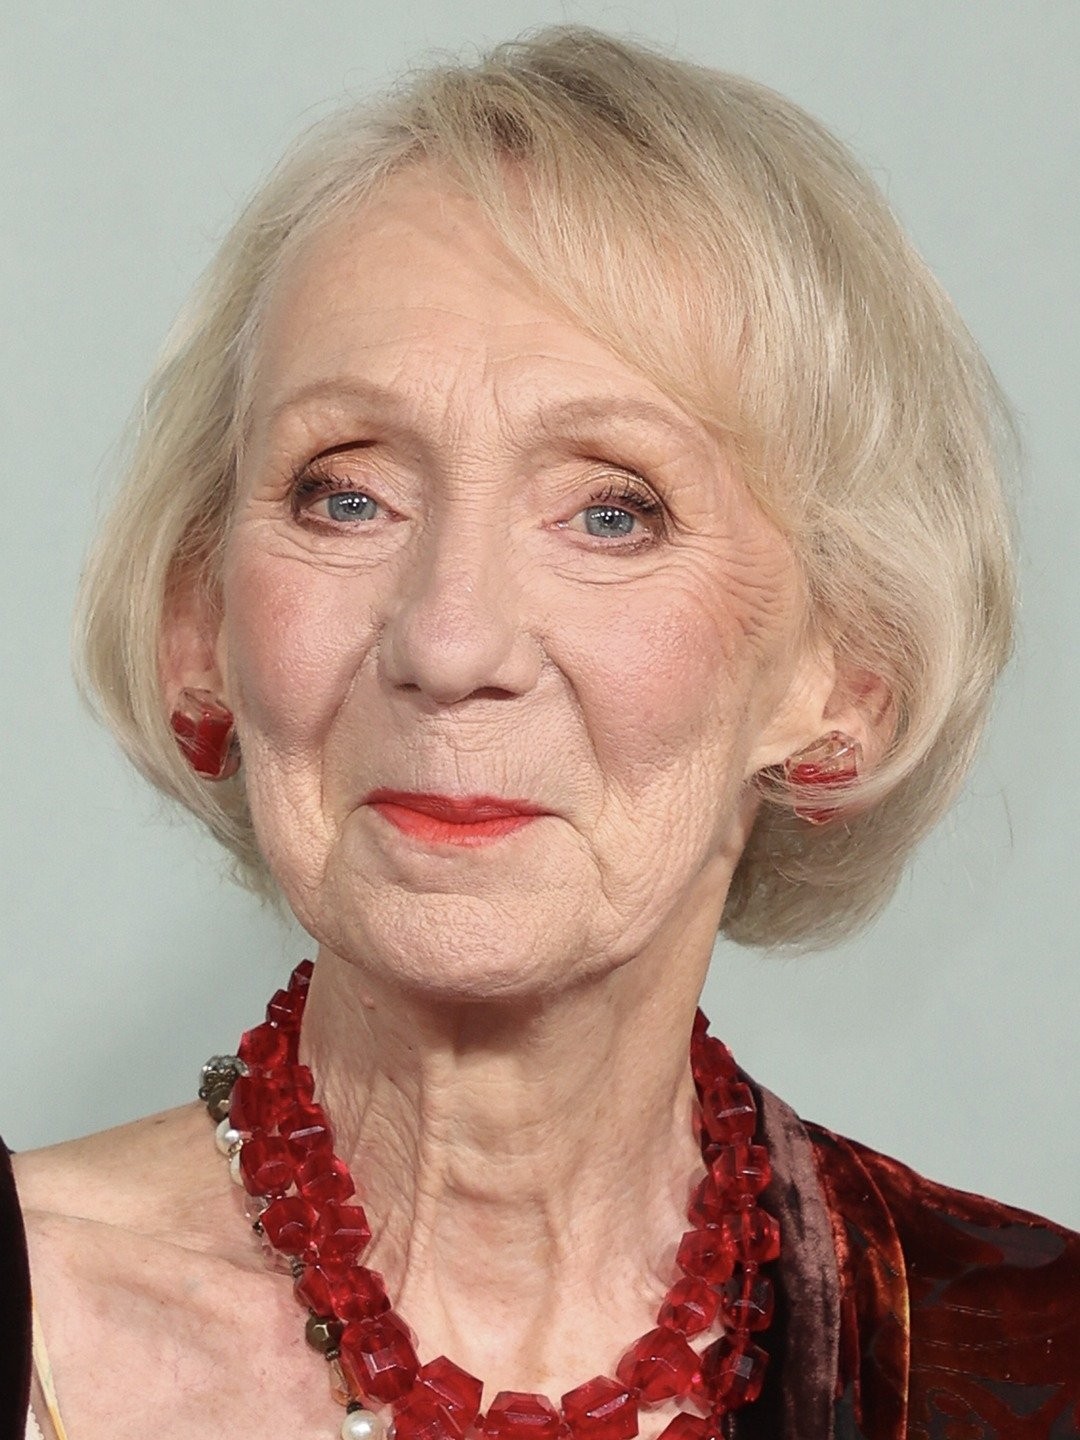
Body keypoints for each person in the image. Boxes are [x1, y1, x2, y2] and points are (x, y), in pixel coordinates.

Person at [3, 25, 1077, 1440]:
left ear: (849, 680)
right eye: (346, 496)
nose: (449, 643)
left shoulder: (1033, 1357)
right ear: (198, 621)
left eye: (612, 513)